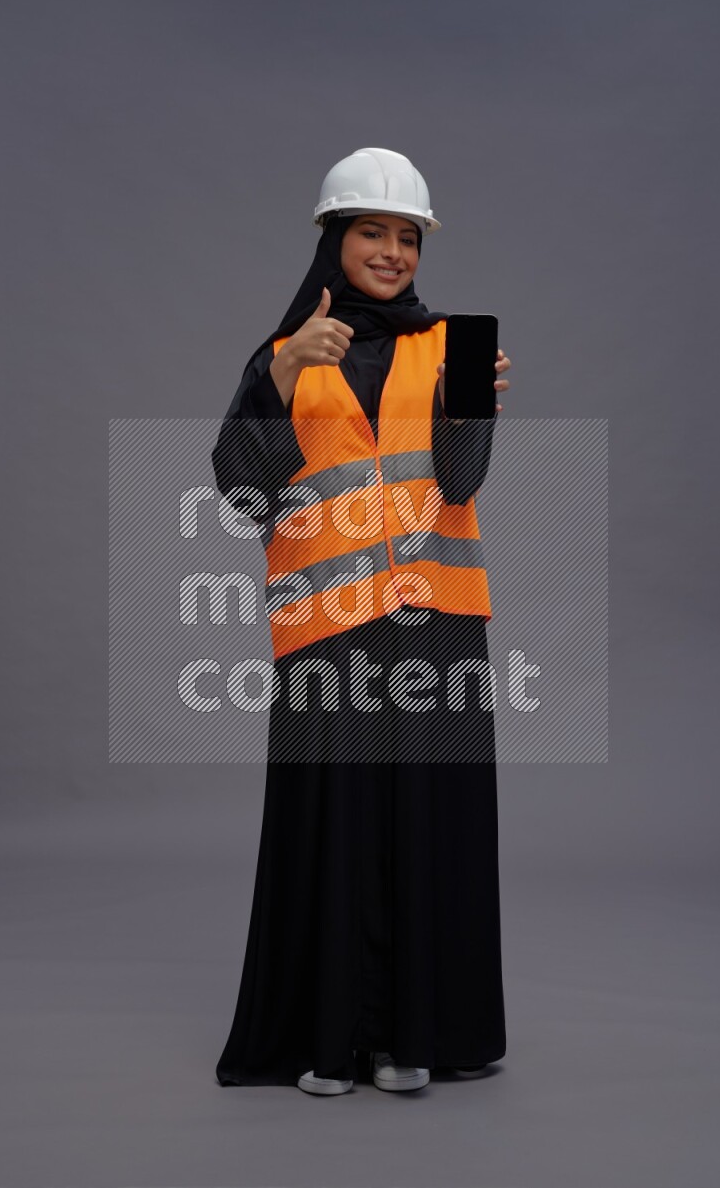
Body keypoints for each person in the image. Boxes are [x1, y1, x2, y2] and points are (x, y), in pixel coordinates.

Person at [211, 147, 512, 1095]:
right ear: (334, 239)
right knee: (333, 826)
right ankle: (329, 1038)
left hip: (436, 620)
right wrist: (277, 377)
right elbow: (240, 490)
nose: (390, 251)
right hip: (326, 625)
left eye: (406, 236)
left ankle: (410, 1035)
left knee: (427, 822)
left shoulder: (454, 345)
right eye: (371, 232)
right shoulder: (284, 353)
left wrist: (475, 414)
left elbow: (458, 484)